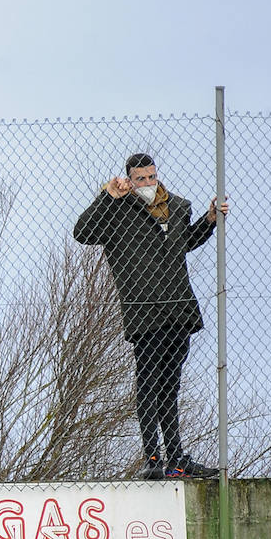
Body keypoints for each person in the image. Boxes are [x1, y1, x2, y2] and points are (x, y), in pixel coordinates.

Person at [73, 153, 229, 480]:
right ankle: (154, 458)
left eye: (151, 177)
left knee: (170, 388)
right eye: (140, 178)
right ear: (129, 179)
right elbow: (83, 232)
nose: (147, 183)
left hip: (178, 311)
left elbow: (185, 242)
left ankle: (176, 459)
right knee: (148, 384)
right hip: (144, 314)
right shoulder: (117, 211)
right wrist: (108, 196)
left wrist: (209, 219)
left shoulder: (176, 207)